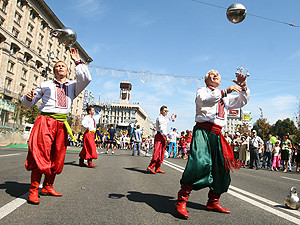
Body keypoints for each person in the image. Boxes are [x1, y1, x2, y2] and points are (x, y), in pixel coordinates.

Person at [175, 69, 250, 218]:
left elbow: (241, 101)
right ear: (206, 80)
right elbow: (205, 100)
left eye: (217, 74)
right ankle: (181, 200)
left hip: (217, 134)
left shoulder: (225, 98)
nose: (214, 75)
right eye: (210, 74)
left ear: (220, 80)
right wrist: (225, 91)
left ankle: (213, 201)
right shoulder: (202, 91)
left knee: (222, 168)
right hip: (203, 131)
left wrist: (243, 87)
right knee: (199, 163)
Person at [20, 48, 92, 205]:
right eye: (57, 66)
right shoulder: (45, 84)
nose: (60, 67)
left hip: (61, 124)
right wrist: (27, 97)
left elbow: (86, 79)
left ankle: (48, 186)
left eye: (63, 66)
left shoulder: (73, 86)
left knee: (57, 156)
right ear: (53, 71)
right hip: (45, 121)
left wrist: (77, 61)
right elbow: (27, 104)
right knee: (40, 154)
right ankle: (33, 190)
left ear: (67, 71)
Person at [147, 105, 176, 174]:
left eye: (167, 111)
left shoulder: (162, 118)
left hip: (162, 136)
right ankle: (151, 166)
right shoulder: (160, 118)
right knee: (157, 152)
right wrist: (167, 136)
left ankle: (158, 167)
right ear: (161, 111)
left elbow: (165, 122)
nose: (166, 112)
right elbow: (162, 128)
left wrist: (171, 118)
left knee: (162, 152)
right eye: (165, 111)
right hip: (160, 135)